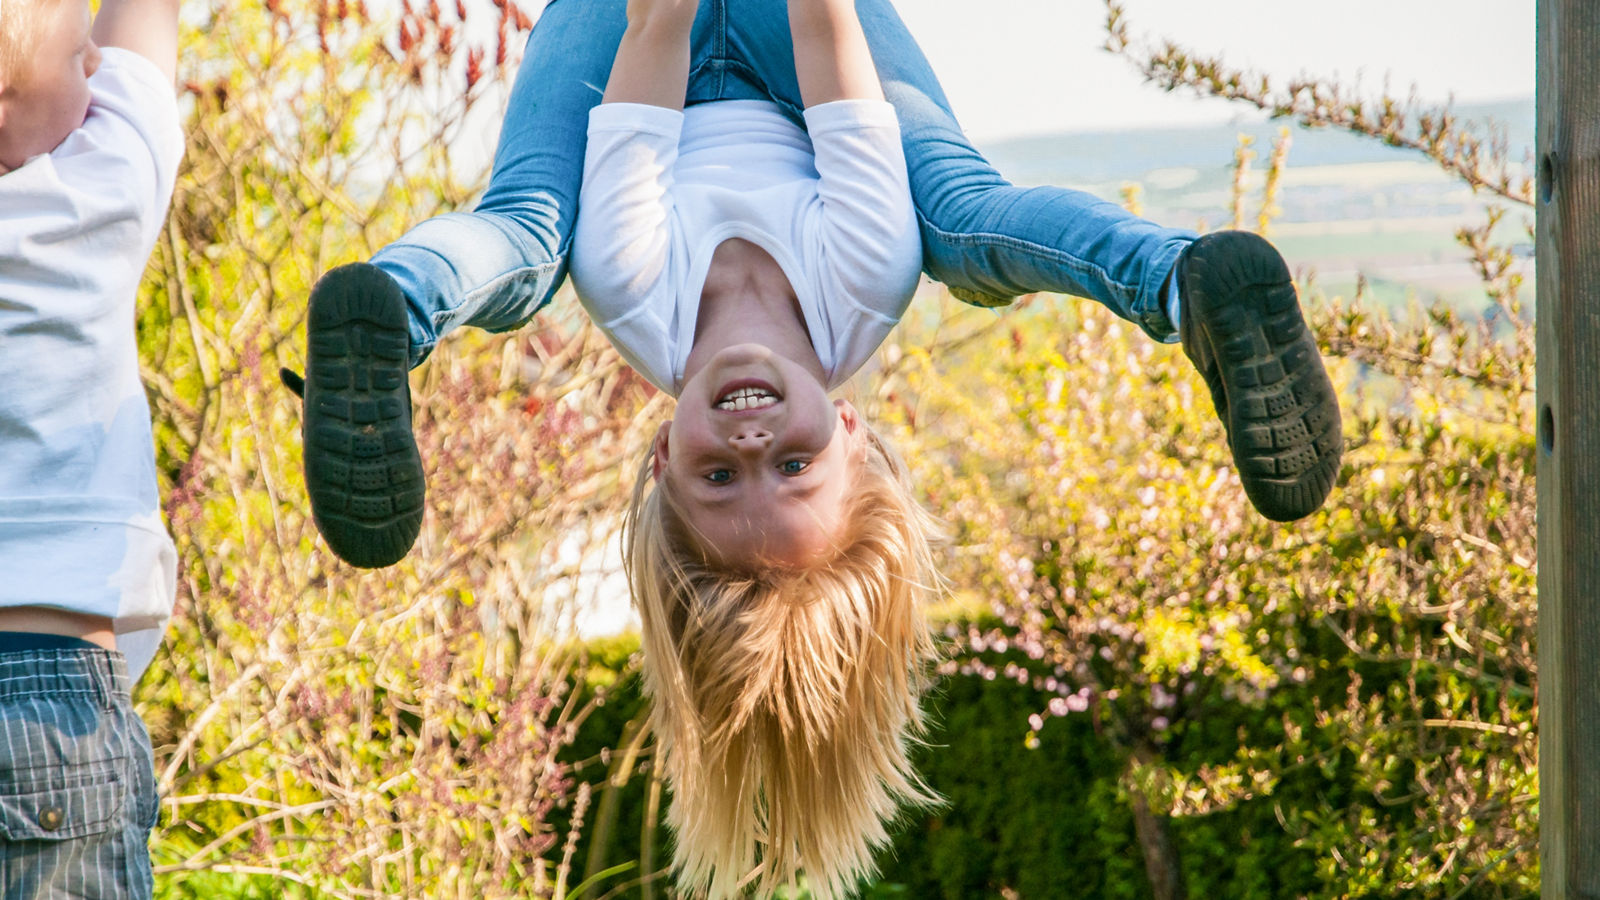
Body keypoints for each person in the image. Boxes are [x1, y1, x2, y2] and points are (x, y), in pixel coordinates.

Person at [284, 0, 1343, 895]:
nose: (750, 439)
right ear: (852, 433)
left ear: (661, 461)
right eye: (791, 466)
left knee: (530, 228)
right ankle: (1187, 284)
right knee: (959, 216)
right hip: (797, 40)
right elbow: (831, 45)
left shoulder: (631, 288)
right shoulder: (867, 278)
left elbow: (654, 32)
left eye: (719, 474)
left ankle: (387, 312)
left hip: (628, 30)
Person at [0, 0, 184, 896]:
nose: (97, 66)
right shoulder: (88, 200)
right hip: (45, 710)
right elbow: (146, 28)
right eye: (80, 55)